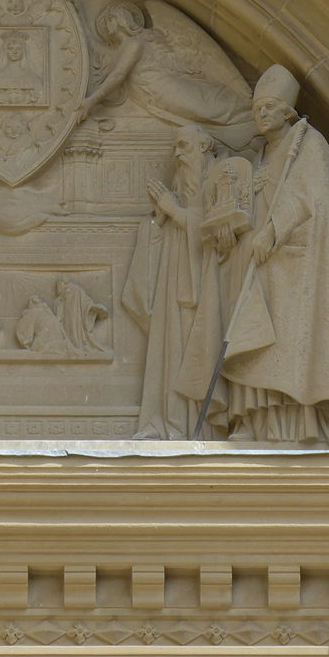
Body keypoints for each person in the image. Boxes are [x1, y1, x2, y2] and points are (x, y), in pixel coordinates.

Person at [208, 65, 329, 446]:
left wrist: (273, 231)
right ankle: (257, 421)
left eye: (270, 107)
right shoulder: (262, 155)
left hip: (295, 268)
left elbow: (313, 197)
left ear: (288, 111)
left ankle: (296, 426)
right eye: (257, 108)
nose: (262, 114)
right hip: (258, 263)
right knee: (254, 337)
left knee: (290, 347)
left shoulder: (310, 146)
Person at [121, 125, 224, 439]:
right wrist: (161, 218)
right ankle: (169, 422)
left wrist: (176, 212)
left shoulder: (220, 179)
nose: (177, 154)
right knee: (170, 348)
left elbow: (220, 230)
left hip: (204, 285)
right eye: (175, 148)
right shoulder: (181, 188)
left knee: (198, 348)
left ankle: (200, 428)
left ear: (203, 146)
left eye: (183, 146)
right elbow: (162, 232)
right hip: (174, 278)